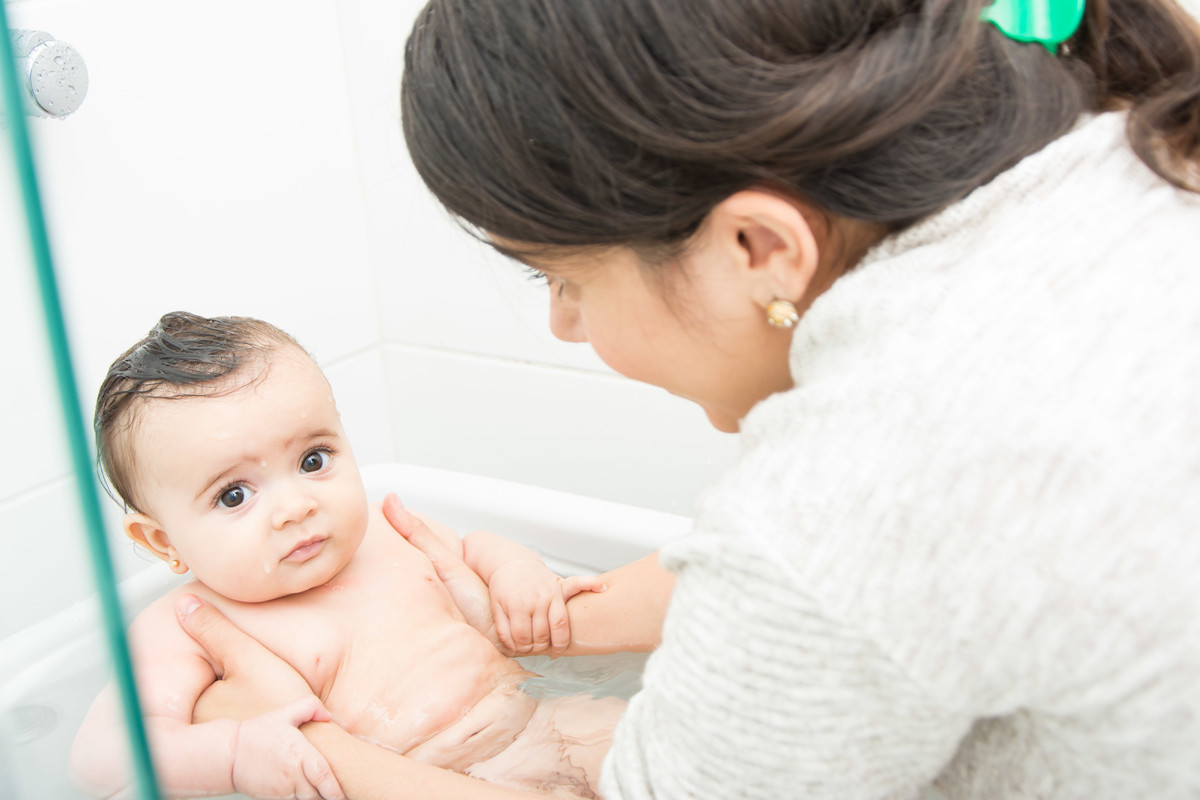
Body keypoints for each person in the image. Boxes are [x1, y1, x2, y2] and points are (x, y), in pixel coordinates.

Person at [172, 0, 1200, 798]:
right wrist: (553, 626)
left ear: (759, 248)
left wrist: (312, 752)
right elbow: (898, 592)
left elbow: (837, 564)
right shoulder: (1129, 146)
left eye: (560, 281)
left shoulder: (856, 483)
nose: (564, 326)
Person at [69, 312, 622, 800]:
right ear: (162, 541)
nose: (295, 506)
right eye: (234, 494)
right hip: (412, 778)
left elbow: (474, 551)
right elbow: (103, 758)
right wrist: (236, 751)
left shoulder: (385, 529)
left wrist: (517, 572)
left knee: (664, 740)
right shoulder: (187, 625)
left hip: (544, 719)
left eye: (313, 459)